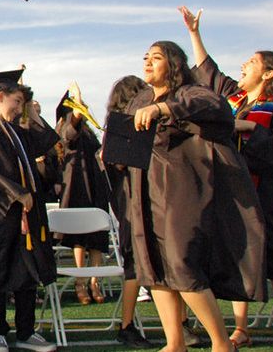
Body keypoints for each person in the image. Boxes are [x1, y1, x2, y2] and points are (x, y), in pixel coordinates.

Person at [126, 40, 266, 352]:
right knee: (154, 267)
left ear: (173, 64)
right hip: (146, 191)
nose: (147, 62)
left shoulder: (190, 92)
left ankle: (221, 343)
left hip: (183, 190)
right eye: (146, 57)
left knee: (182, 263)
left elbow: (217, 108)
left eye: (156, 57)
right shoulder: (141, 99)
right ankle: (174, 342)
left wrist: (163, 108)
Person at [180, 6, 273, 349]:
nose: (243, 65)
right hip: (230, 188)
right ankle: (241, 328)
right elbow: (209, 73)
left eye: (252, 62)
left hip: (261, 190)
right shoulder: (235, 98)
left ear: (269, 73)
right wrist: (194, 34)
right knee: (241, 254)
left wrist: (249, 128)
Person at [0, 79, 59, 352]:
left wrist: (33, 112)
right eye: (17, 102)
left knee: (27, 271)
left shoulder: (14, 129)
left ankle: (26, 331)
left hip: (25, 212)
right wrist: (17, 193)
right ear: (1, 96)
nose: (19, 109)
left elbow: (44, 142)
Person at [103, 76, 152, 349]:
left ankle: (181, 322)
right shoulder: (119, 128)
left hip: (147, 205)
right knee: (134, 265)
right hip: (132, 207)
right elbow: (119, 163)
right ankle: (126, 324)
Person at [55, 82, 110, 305]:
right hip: (77, 184)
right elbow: (71, 130)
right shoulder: (65, 130)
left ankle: (94, 281)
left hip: (96, 184)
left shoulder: (89, 133)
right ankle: (80, 281)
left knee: (97, 238)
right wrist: (76, 100)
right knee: (79, 237)